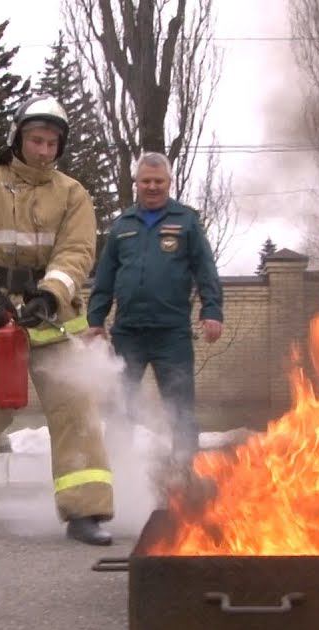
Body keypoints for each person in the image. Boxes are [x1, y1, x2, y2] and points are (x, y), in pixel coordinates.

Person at [0, 95, 114, 546]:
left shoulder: (73, 194)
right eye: (36, 140)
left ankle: (85, 511)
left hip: (53, 318)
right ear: (17, 138)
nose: (43, 150)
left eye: (52, 143)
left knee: (76, 409)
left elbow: (77, 252)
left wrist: (51, 295)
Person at [87, 151, 224, 461]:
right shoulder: (122, 225)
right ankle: (117, 474)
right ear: (136, 183)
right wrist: (95, 319)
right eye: (146, 181)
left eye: (158, 181)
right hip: (128, 333)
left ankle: (185, 474)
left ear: (169, 182)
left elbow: (206, 270)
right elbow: (105, 277)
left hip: (171, 334)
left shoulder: (186, 221)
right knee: (121, 407)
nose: (152, 187)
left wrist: (212, 310)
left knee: (181, 408)